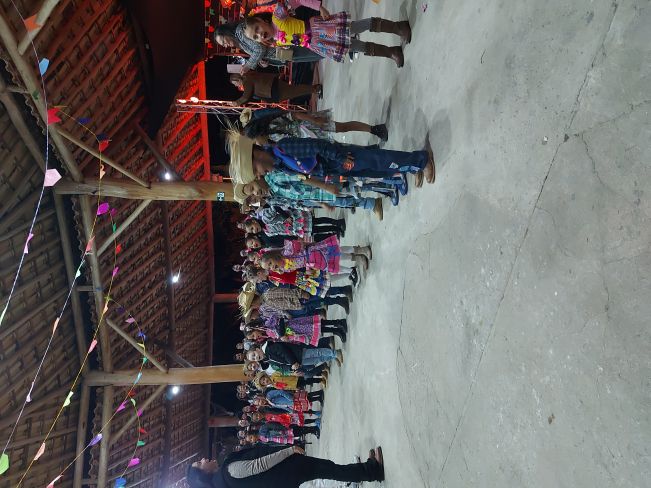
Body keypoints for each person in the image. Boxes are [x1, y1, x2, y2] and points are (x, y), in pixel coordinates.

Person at [244, 1, 411, 67]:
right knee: (352, 46)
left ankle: (398, 27)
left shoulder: (277, 17)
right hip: (318, 43)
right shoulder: (276, 42)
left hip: (320, 28)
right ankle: (391, 52)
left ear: (261, 20)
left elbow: (296, 0)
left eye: (257, 29)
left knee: (354, 28)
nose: (260, 35)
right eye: (256, 37)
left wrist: (319, 7)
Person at [186, 445, 385, 488]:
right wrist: (289, 451)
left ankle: (367, 469)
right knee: (329, 469)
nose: (203, 459)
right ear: (202, 474)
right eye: (199, 463)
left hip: (284, 479)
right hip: (287, 470)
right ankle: (371, 470)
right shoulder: (229, 472)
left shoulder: (224, 483)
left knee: (329, 469)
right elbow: (261, 464)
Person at [240, 107, 389, 143]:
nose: (256, 142)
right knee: (338, 137)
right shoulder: (270, 137)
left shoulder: (272, 125)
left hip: (309, 126)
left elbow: (294, 115)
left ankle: (374, 129)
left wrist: (315, 120)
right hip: (308, 137)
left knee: (342, 127)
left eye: (255, 139)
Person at [214, 22, 323, 70]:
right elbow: (260, 49)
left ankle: (329, 44)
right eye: (223, 45)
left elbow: (259, 49)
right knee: (315, 52)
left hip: (284, 46)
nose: (226, 45)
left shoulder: (240, 32)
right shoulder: (239, 42)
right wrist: (263, 62)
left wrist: (249, 65)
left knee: (315, 49)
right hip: (283, 53)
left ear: (226, 32)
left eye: (223, 41)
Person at [229, 72, 322, 106]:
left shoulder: (246, 82)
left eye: (235, 83)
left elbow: (246, 96)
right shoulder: (247, 75)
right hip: (272, 83)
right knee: (294, 89)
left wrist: (236, 103)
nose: (236, 86)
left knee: (295, 91)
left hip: (272, 91)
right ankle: (314, 89)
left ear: (237, 79)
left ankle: (316, 89)